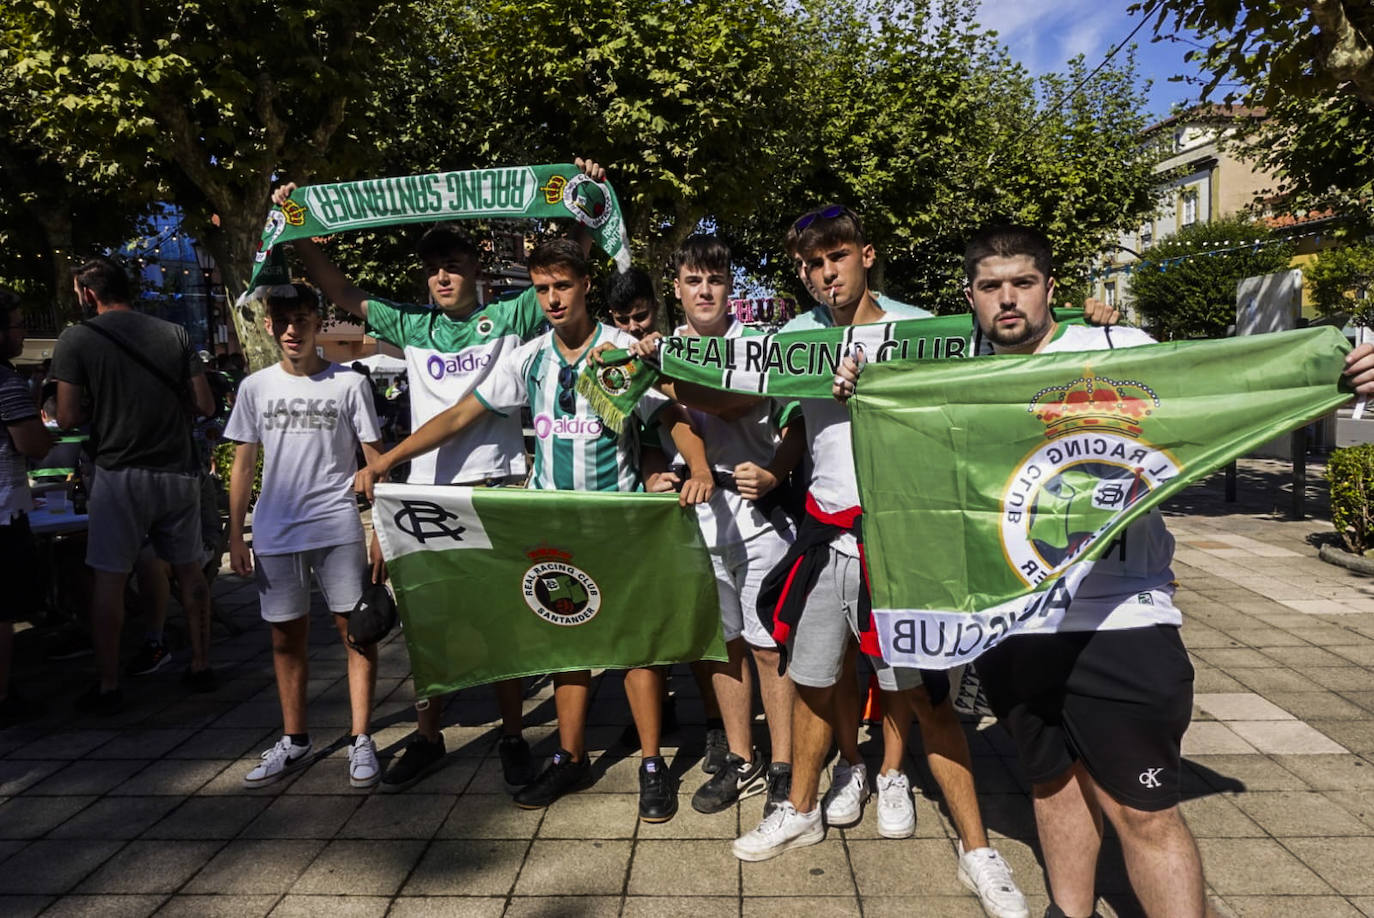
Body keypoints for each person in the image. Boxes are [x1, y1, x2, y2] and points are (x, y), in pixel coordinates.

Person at [833, 224, 1374, 918]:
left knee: (1143, 812)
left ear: (1050, 289)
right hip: (1012, 622)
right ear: (969, 296)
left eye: (1022, 283)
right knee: (1052, 784)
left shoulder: (1118, 350)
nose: (1007, 300)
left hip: (1122, 619)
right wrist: (864, 389)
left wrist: (1337, 365)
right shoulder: (957, 372)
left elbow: (1228, 381)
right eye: (991, 287)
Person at [691, 207, 1026, 918]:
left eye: (836, 257)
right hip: (824, 537)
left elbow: (990, 384)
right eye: (811, 265)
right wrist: (659, 374)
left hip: (900, 540)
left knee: (925, 698)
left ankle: (977, 850)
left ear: (866, 255)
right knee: (813, 683)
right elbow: (754, 407)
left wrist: (1095, 319)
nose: (825, 274)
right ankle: (802, 809)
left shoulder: (922, 329)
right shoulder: (794, 337)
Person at [356, 239, 716, 821]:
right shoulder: (529, 359)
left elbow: (670, 416)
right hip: (554, 528)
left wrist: (697, 469)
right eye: (542, 288)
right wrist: (385, 460)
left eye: (562, 286)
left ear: (585, 286)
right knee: (565, 644)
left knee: (637, 650)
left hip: (619, 526)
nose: (551, 298)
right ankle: (570, 758)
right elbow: (457, 416)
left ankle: (653, 765)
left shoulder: (620, 350)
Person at [273, 160, 604, 793]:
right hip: (425, 495)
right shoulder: (410, 323)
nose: (442, 276)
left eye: (452, 264)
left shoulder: (513, 315)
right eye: (432, 267)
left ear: (476, 265)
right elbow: (342, 293)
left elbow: (571, 260)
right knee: (430, 622)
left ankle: (512, 735)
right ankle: (428, 736)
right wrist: (299, 228)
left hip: (500, 484)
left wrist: (585, 193)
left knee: (503, 619)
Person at [622, 235, 803, 818]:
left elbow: (732, 404)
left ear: (730, 289)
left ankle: (783, 763)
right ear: (676, 290)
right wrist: (664, 467)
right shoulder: (664, 347)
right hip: (694, 515)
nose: (704, 291)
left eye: (715, 281)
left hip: (758, 513)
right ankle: (741, 758)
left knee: (770, 647)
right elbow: (663, 422)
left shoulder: (755, 345)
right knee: (722, 646)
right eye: (693, 281)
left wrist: (659, 372)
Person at [225, 284, 385, 789]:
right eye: (283, 319)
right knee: (284, 637)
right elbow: (244, 463)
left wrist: (382, 528)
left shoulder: (349, 383)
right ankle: (295, 739)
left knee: (356, 630)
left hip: (336, 523)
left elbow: (374, 460)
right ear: (269, 326)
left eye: (302, 318)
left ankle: (361, 737)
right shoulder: (256, 387)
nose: (293, 329)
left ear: (319, 322)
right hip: (275, 529)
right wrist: (234, 534)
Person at [52, 257, 217, 713]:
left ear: (87, 293)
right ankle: (202, 664)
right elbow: (204, 404)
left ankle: (108, 684)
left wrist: (101, 407)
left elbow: (65, 417)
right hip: (178, 470)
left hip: (118, 472)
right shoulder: (175, 334)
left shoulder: (76, 339)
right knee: (189, 569)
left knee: (109, 576)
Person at [0, 291, 52, 726]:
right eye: (17, 325)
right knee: (2, 609)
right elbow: (32, 443)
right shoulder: (5, 381)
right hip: (1, 509)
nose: (23, 333)